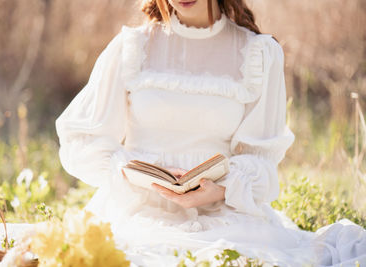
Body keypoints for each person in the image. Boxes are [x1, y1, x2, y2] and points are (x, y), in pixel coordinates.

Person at [55, 0, 366, 266]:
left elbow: (261, 160)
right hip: (137, 210)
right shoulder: (132, 47)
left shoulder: (258, 53)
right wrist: (131, 170)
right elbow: (84, 137)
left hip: (223, 215)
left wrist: (220, 189)